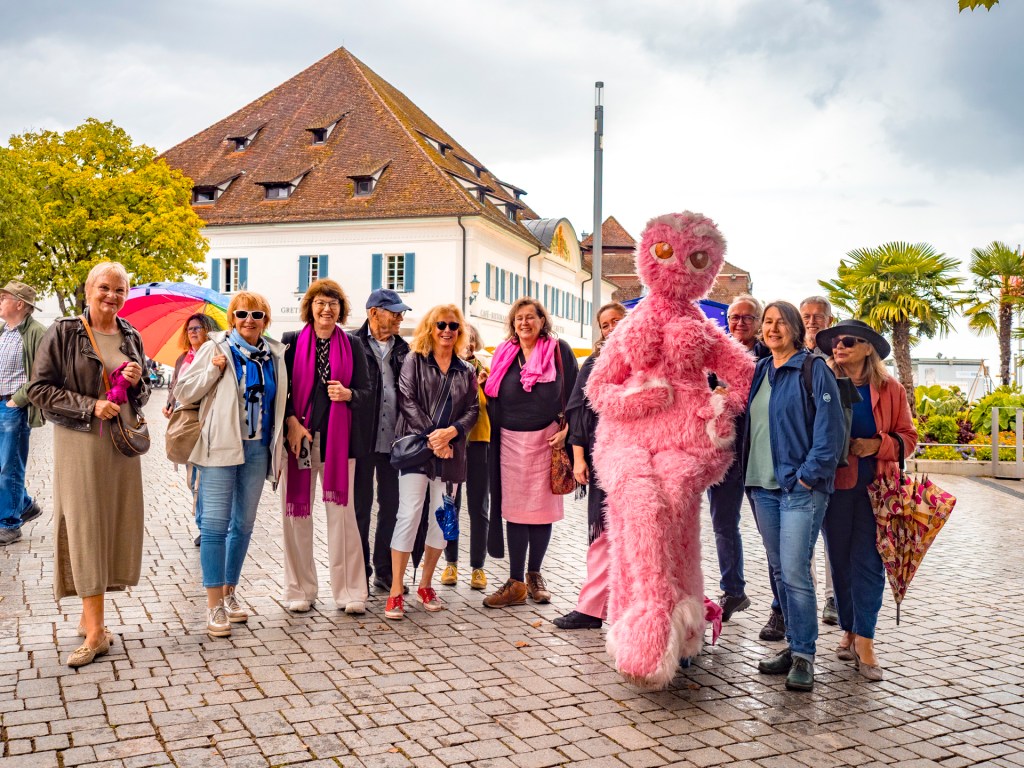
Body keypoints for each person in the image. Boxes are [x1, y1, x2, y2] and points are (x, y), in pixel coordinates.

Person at [27, 262, 150, 667]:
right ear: (87, 289)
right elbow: (39, 389)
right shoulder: (63, 332)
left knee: (113, 524)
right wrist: (90, 405)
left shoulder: (130, 334)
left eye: (119, 289)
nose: (112, 296)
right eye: (104, 288)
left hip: (119, 445)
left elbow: (144, 395)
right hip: (81, 442)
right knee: (85, 525)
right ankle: (97, 632)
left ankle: (88, 618)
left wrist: (135, 382)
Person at [742, 301, 845, 692]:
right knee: (780, 572)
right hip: (762, 488)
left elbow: (829, 433)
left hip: (798, 490)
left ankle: (804, 655)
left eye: (780, 323)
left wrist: (807, 478)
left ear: (795, 329)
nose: (772, 329)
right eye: (767, 323)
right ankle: (792, 645)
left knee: (796, 571)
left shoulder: (813, 369)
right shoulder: (762, 369)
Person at [175, 291, 287, 638]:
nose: (249, 320)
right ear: (231, 318)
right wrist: (211, 370)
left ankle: (229, 592)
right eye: (241, 314)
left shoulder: (275, 356)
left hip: (256, 449)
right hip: (220, 448)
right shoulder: (215, 348)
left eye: (256, 314)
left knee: (244, 524)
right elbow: (183, 391)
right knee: (213, 526)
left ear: (265, 320)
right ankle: (213, 606)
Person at [816, 319, 917, 681]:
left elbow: (909, 437)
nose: (839, 347)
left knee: (870, 563)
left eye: (848, 342)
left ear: (868, 348)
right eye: (835, 342)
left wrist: (877, 445)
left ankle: (866, 640)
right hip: (836, 487)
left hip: (879, 489)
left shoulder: (890, 389)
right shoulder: (822, 381)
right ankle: (848, 628)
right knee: (839, 560)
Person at [280, 279, 372, 615]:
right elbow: (282, 393)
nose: (326, 309)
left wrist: (349, 395)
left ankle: (349, 591)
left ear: (341, 309)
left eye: (333, 303)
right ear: (310, 307)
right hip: (299, 441)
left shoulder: (353, 345)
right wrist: (291, 421)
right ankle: (299, 589)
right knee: (296, 517)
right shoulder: (290, 344)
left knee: (343, 519)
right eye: (320, 302)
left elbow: (367, 392)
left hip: (339, 442)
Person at [483, 298, 578, 608]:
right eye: (519, 318)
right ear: (513, 323)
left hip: (548, 440)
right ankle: (515, 581)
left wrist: (568, 432)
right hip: (509, 441)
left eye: (530, 318)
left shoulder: (559, 350)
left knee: (541, 511)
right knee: (514, 510)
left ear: (542, 321)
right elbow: (491, 393)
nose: (524, 323)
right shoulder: (503, 353)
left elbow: (577, 396)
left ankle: (534, 575)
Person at [385, 305, 479, 619]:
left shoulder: (465, 369)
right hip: (417, 449)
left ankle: (426, 584)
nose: (447, 331)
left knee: (443, 519)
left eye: (453, 326)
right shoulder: (414, 360)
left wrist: (451, 433)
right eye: (441, 324)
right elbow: (406, 401)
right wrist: (434, 439)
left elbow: (472, 409)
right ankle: (396, 589)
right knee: (409, 514)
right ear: (431, 326)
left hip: (451, 452)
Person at [553, 301, 626, 630]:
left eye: (617, 322)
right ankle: (592, 607)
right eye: (605, 324)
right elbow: (578, 412)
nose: (611, 329)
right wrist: (579, 458)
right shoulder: (594, 362)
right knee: (602, 533)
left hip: (639, 459)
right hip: (601, 457)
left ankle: (628, 609)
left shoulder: (646, 361)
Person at [706, 295, 769, 623]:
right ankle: (733, 591)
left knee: (769, 529)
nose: (740, 323)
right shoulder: (715, 358)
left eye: (747, 317)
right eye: (734, 317)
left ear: (758, 322)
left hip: (759, 453)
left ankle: (781, 604)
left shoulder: (768, 357)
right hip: (724, 454)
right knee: (723, 525)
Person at [354, 289, 411, 594]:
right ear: (374, 312)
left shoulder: (404, 348)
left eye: (402, 313)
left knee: (391, 507)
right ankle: (360, 568)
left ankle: (385, 570)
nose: (401, 317)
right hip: (361, 439)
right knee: (360, 508)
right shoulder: (351, 343)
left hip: (394, 442)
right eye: (395, 312)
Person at [439, 324, 490, 591]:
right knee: (451, 506)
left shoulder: (485, 367)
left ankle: (478, 568)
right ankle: (451, 563)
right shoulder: (447, 367)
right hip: (454, 445)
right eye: (462, 338)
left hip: (480, 443)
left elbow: (492, 405)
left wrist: (482, 387)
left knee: (479, 508)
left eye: (470, 339)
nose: (466, 343)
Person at [163, 313, 221, 547]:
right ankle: (202, 524)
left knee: (203, 478)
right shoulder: (182, 359)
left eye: (198, 327)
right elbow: (175, 385)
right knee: (191, 478)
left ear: (208, 330)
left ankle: (207, 527)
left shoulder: (215, 354)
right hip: (185, 422)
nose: (193, 332)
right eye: (190, 328)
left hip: (207, 421)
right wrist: (169, 404)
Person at [800, 295, 839, 626]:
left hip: (832, 459)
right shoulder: (793, 354)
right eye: (806, 315)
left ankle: (832, 597)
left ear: (829, 319)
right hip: (801, 459)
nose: (812, 321)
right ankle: (805, 598)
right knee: (802, 538)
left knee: (831, 534)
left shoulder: (839, 355)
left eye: (818, 316)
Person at [0, 280, 47, 546]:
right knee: (1, 465)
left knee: (10, 466)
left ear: (20, 304)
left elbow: (43, 373)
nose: (0, 301)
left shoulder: (37, 332)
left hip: (12, 408)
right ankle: (25, 504)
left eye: (4, 297)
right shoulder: (2, 329)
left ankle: (9, 523)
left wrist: (17, 401)